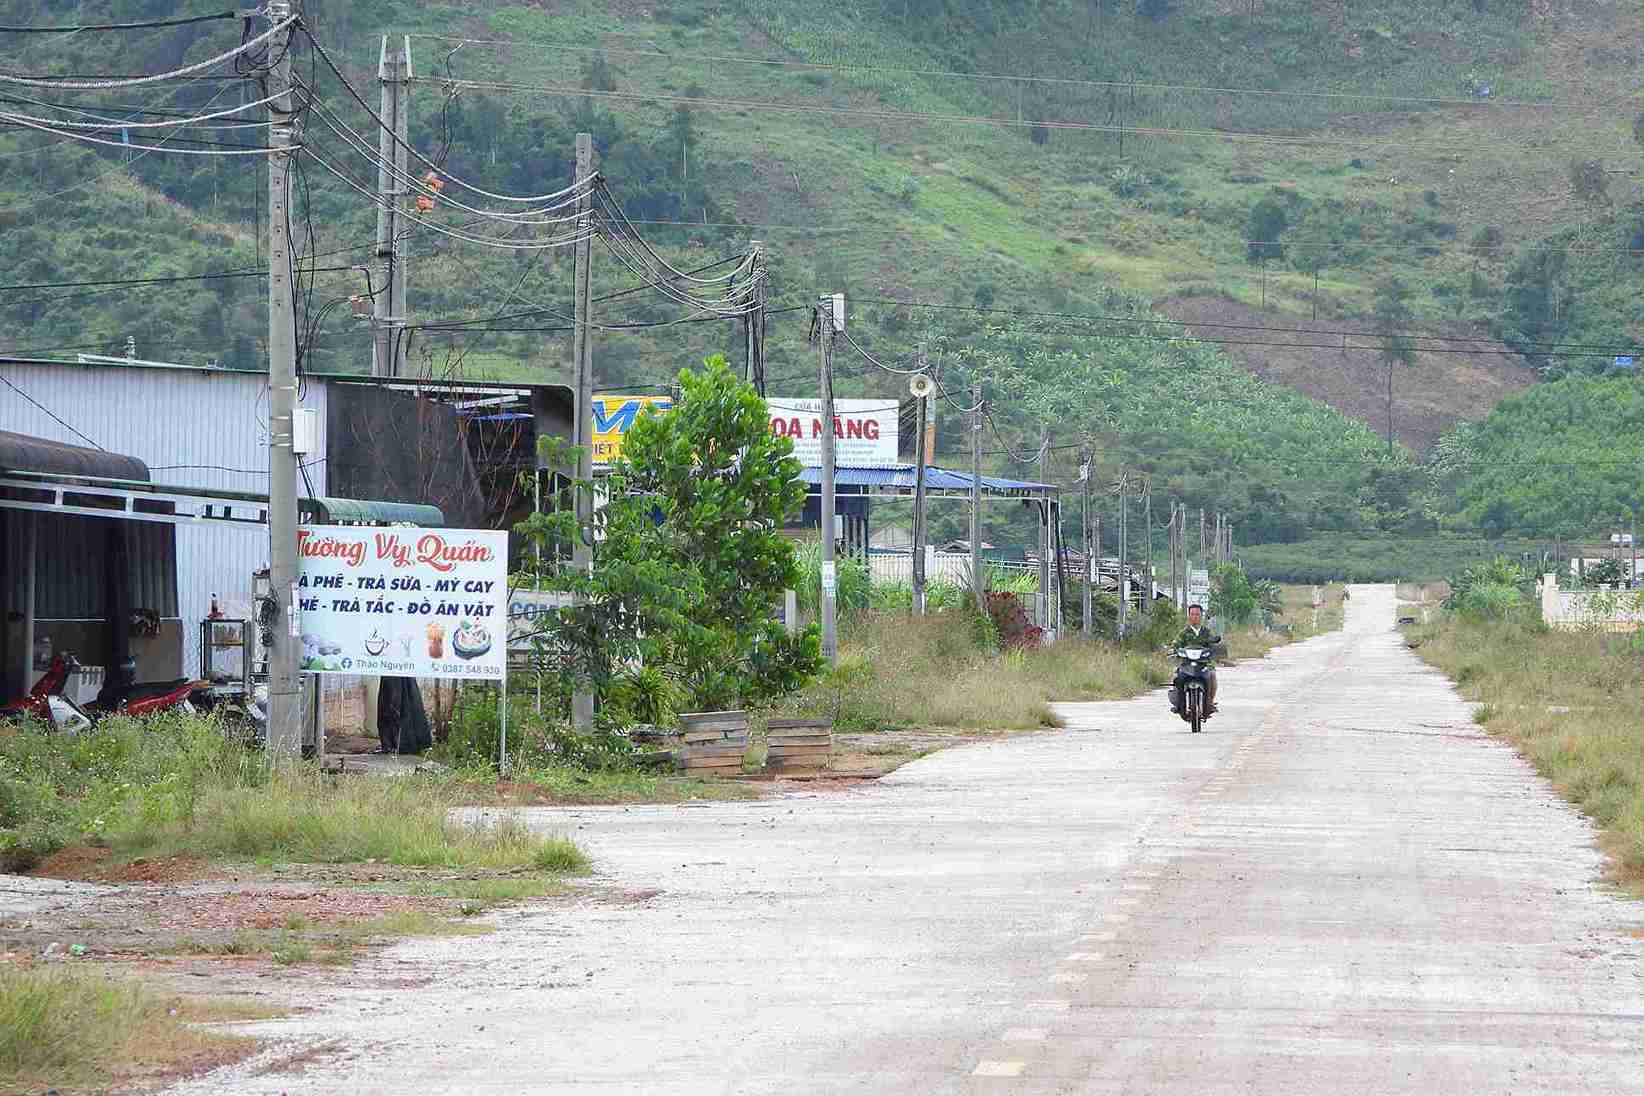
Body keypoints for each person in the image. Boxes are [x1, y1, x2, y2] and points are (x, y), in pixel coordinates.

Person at [1169, 603, 1219, 715]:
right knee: (1177, 678)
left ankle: (1210, 702)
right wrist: (1173, 651)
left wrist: (1214, 650)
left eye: (1197, 614)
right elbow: (1175, 645)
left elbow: (1213, 644)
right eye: (1192, 614)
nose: (1195, 617)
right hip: (1186, 664)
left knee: (1212, 675)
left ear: (1201, 616)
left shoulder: (1206, 632)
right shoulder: (1184, 633)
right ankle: (1179, 703)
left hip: (1204, 663)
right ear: (1188, 616)